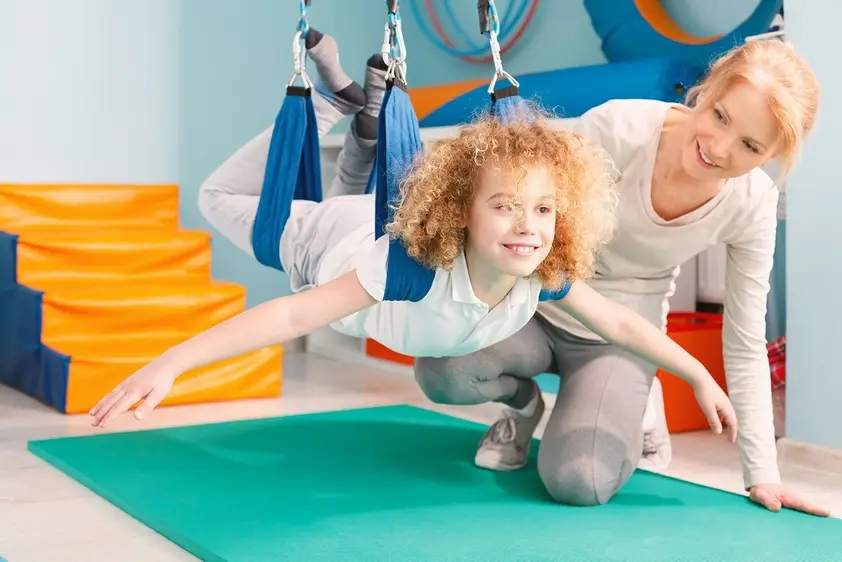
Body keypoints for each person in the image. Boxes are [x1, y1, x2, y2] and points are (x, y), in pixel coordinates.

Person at [88, 31, 737, 440]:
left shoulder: (540, 270)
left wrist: (699, 378)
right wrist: (172, 361)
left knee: (358, 197)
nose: (527, 227)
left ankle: (356, 117)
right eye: (506, 207)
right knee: (223, 199)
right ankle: (332, 106)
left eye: (543, 210)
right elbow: (289, 312)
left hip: (369, 221)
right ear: (461, 211)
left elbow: (623, 327)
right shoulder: (403, 269)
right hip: (323, 247)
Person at [413, 39, 830, 517]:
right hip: (535, 307)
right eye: (720, 116)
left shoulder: (752, 205)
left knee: (578, 482)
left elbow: (744, 338)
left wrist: (763, 475)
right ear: (708, 89)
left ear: (772, 156)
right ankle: (524, 406)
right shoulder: (619, 127)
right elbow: (527, 227)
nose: (719, 147)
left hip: (621, 339)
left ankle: (636, 402)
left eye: (750, 145)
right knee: (442, 371)